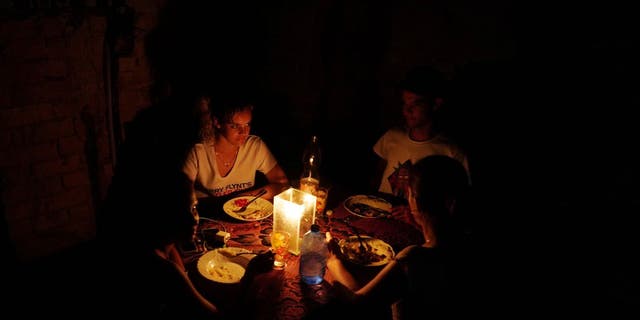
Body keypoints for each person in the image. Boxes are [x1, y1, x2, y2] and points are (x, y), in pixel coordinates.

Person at [323, 155, 474, 319]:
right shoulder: (465, 244)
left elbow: (357, 304)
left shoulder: (414, 259)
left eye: (410, 193)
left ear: (414, 200)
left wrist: (334, 262)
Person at [101, 169, 221, 318]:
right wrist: (251, 276)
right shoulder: (164, 270)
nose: (193, 219)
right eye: (180, 212)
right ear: (161, 215)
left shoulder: (166, 245)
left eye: (194, 208)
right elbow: (214, 315)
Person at [372, 66, 470, 201]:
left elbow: (457, 198)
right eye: (404, 103)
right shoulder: (392, 136)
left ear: (435, 104)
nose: (407, 110)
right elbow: (378, 173)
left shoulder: (450, 152)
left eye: (416, 103)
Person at [183, 92, 289, 202]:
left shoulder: (254, 146)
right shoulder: (198, 151)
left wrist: (244, 198)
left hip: (242, 213)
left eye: (247, 124)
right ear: (217, 122)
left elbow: (282, 184)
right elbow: (182, 192)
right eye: (235, 126)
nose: (244, 132)